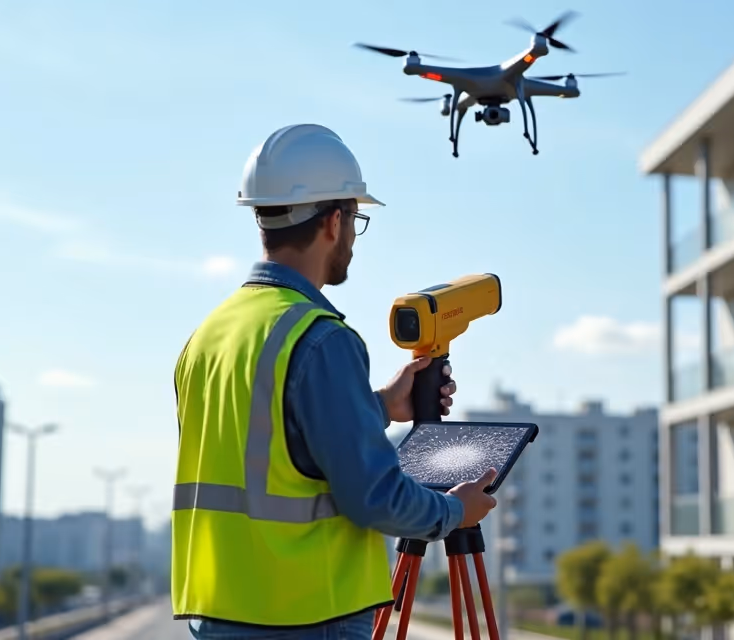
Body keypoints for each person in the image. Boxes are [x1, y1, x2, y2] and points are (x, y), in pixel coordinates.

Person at [172, 124, 498, 639]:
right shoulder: (322, 338)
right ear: (332, 221)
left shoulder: (208, 335)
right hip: (307, 613)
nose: (352, 236)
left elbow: (267, 441)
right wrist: (457, 510)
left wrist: (379, 407)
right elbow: (375, 497)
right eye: (355, 219)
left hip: (217, 615)